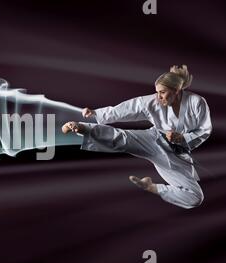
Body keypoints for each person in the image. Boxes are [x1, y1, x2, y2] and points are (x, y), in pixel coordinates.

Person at [62, 65, 212, 209]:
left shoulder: (197, 103)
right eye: (157, 92)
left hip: (177, 153)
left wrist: (182, 138)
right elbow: (126, 109)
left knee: (195, 198)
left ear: (177, 90)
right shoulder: (151, 101)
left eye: (163, 92)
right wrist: (96, 113)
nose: (158, 96)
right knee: (122, 139)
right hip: (153, 139)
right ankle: (81, 127)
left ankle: (151, 187)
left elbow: (204, 130)